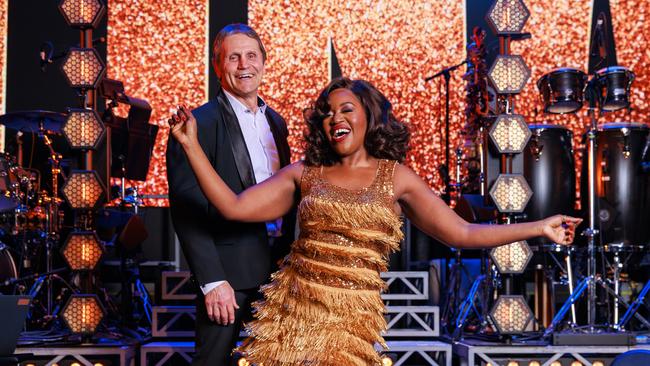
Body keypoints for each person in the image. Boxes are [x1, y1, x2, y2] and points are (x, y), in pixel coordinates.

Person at [168, 77, 581, 365]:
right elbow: (233, 207)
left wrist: (538, 227)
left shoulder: (396, 177)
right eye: (327, 113)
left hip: (351, 320)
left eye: (346, 109)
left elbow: (463, 231)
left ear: (368, 115)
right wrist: (192, 146)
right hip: (293, 312)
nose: (335, 119)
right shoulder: (304, 172)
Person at [166, 24, 295, 366]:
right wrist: (212, 281)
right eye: (233, 57)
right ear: (218, 66)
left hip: (279, 272)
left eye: (251, 56)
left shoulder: (277, 123)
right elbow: (186, 209)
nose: (244, 65)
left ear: (264, 63)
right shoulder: (198, 125)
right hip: (228, 277)